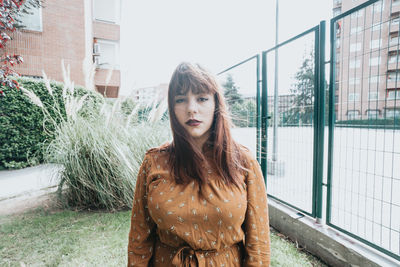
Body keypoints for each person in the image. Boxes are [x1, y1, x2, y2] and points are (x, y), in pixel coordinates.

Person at [127, 62, 270, 266]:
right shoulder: (154, 162)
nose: (191, 109)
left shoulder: (243, 162)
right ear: (172, 107)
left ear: (216, 104)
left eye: (201, 98)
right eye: (181, 100)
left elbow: (259, 245)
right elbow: (139, 240)